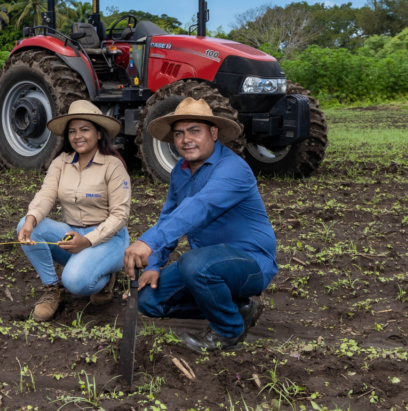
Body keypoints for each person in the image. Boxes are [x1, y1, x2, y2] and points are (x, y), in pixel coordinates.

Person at [123, 98, 277, 353]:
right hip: (206, 264)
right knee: (148, 300)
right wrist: (153, 263)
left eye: (195, 130)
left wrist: (148, 241)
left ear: (213, 133)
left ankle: (228, 331)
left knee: (194, 263)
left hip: (250, 264)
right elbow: (169, 216)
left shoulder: (233, 169)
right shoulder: (180, 172)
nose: (186, 139)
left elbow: (200, 206)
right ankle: (238, 308)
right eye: (179, 133)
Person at [17, 101, 131, 322]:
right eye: (72, 131)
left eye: (85, 129)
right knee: (25, 225)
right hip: (71, 233)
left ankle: (105, 276)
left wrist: (87, 241)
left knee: (77, 282)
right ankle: (52, 289)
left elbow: (120, 216)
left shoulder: (113, 166)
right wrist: (31, 220)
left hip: (109, 239)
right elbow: (46, 194)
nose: (78, 136)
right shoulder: (61, 162)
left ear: (99, 133)